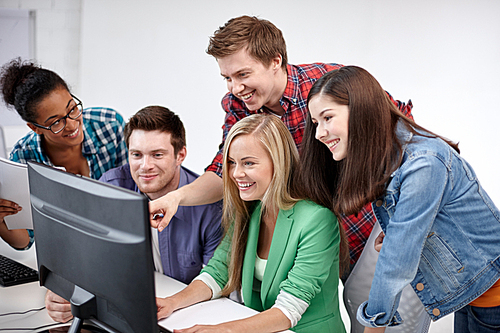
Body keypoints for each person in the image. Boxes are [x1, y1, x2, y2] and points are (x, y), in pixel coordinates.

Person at [149, 15, 412, 272]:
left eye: (243, 74)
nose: (235, 88)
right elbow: (223, 171)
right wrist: (176, 197)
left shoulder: (327, 83)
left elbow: (402, 130)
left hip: (373, 224)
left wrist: (400, 221)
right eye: (227, 78)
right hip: (317, 234)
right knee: (352, 308)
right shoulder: (239, 107)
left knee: (389, 309)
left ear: (276, 61)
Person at [302, 65, 500, 333]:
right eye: (316, 123)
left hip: (493, 295)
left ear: (361, 110)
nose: (319, 133)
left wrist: (373, 326)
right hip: (475, 293)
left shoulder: (424, 163)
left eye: (327, 118)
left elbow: (396, 262)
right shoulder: (388, 155)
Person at [156, 114, 346, 333]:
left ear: (279, 163)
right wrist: (172, 302)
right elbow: (219, 271)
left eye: (248, 163)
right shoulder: (250, 210)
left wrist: (223, 330)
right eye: (231, 163)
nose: (236, 173)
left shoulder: (317, 220)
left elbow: (289, 309)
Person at [45, 105, 223, 323]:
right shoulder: (111, 187)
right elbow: (85, 254)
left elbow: (215, 281)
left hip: (184, 314)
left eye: (157, 155)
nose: (145, 166)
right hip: (124, 310)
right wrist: (63, 289)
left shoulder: (211, 208)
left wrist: (173, 304)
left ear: (180, 155)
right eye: (136, 155)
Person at [0, 58, 127, 250]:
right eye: (56, 122)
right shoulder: (24, 158)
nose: (72, 124)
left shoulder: (109, 124)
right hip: (68, 251)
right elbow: (26, 241)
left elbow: (135, 192)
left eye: (72, 109)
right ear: (35, 128)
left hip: (119, 242)